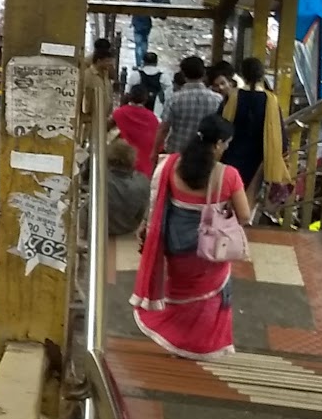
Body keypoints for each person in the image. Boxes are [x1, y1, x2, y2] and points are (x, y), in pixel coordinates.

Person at [130, 114, 250, 360]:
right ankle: (201, 347)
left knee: (179, 293)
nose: (226, 148)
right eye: (226, 143)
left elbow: (156, 204)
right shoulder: (228, 175)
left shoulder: (172, 164)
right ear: (218, 144)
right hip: (210, 249)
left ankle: (174, 340)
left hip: (175, 244)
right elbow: (245, 216)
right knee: (211, 295)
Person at [219, 57, 289, 202]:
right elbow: (279, 131)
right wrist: (282, 153)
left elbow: (220, 122)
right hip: (259, 157)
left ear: (242, 74)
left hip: (231, 153)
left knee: (228, 196)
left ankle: (226, 222)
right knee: (249, 198)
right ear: (261, 75)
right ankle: (244, 221)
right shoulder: (270, 100)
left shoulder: (233, 97)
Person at [160, 56, 223, 153]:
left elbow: (164, 128)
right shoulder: (218, 99)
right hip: (205, 153)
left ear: (183, 74)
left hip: (177, 150)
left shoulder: (174, 99)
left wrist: (155, 151)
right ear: (204, 73)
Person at [112, 85, 160, 176]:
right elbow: (158, 143)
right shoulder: (152, 118)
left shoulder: (119, 113)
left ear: (129, 97)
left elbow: (106, 128)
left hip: (123, 165)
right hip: (146, 169)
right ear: (145, 99)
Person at [105, 139, 150, 237]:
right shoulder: (143, 181)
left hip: (102, 227)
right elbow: (143, 213)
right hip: (128, 228)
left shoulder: (102, 179)